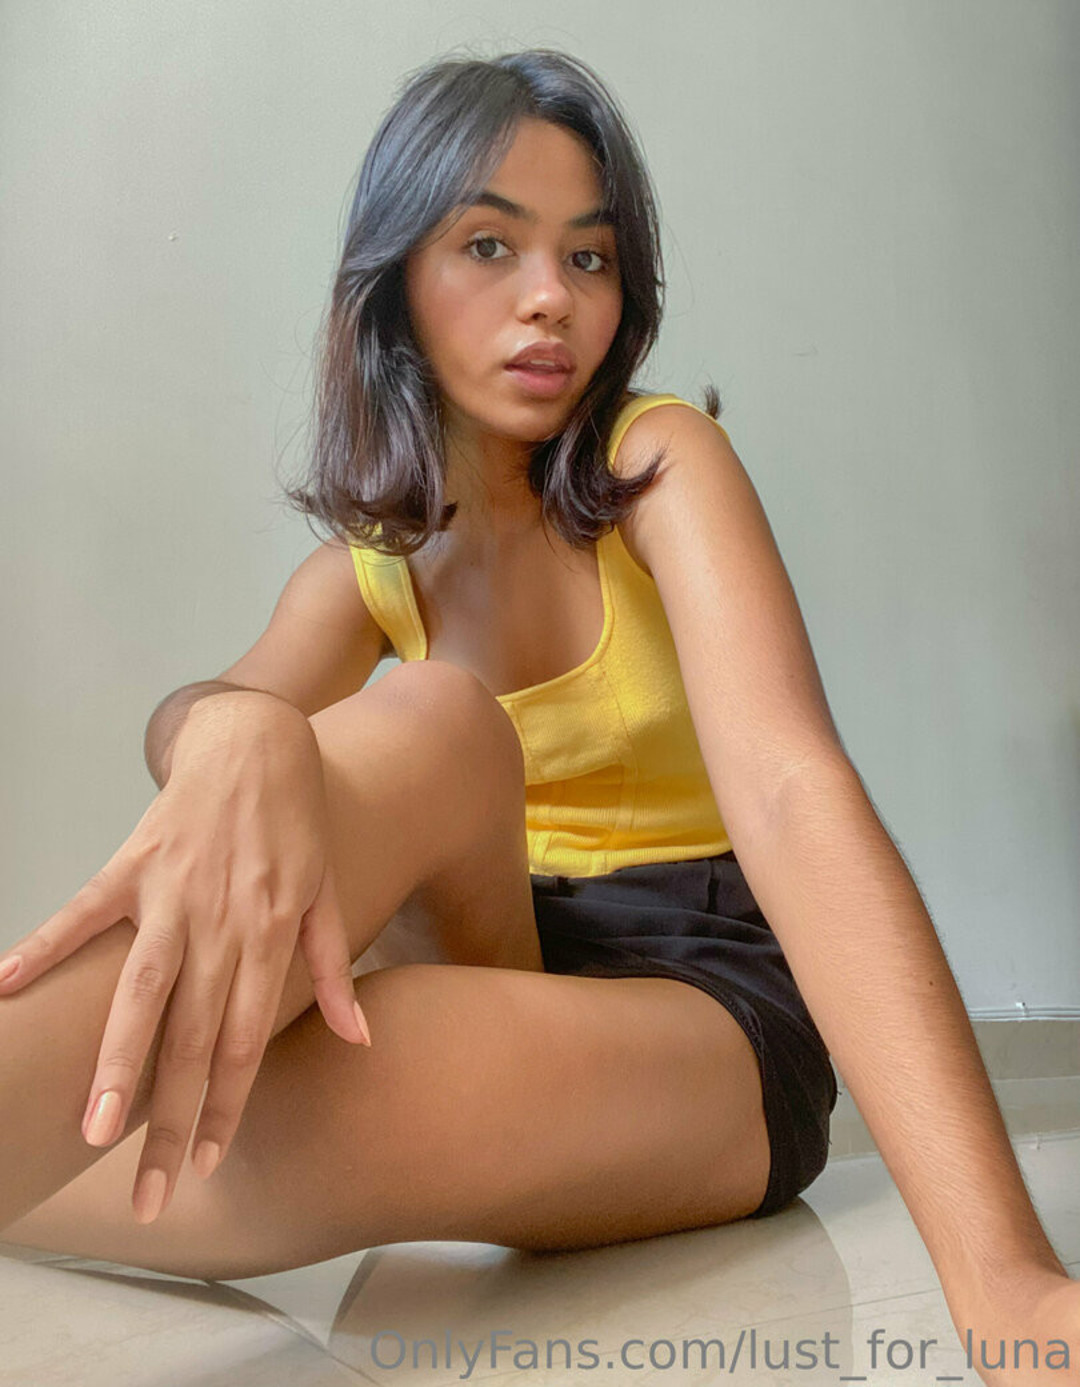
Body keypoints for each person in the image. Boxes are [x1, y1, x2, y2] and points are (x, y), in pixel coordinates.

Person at [0, 48, 1075, 1385]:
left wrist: (1007, 1283)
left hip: (699, 1006)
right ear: (396, 281)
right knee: (403, 727)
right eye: (489, 246)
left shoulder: (660, 463)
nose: (549, 297)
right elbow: (207, 723)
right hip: (482, 951)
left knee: (413, 773)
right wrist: (226, 729)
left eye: (588, 257)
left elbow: (794, 796)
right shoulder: (366, 571)